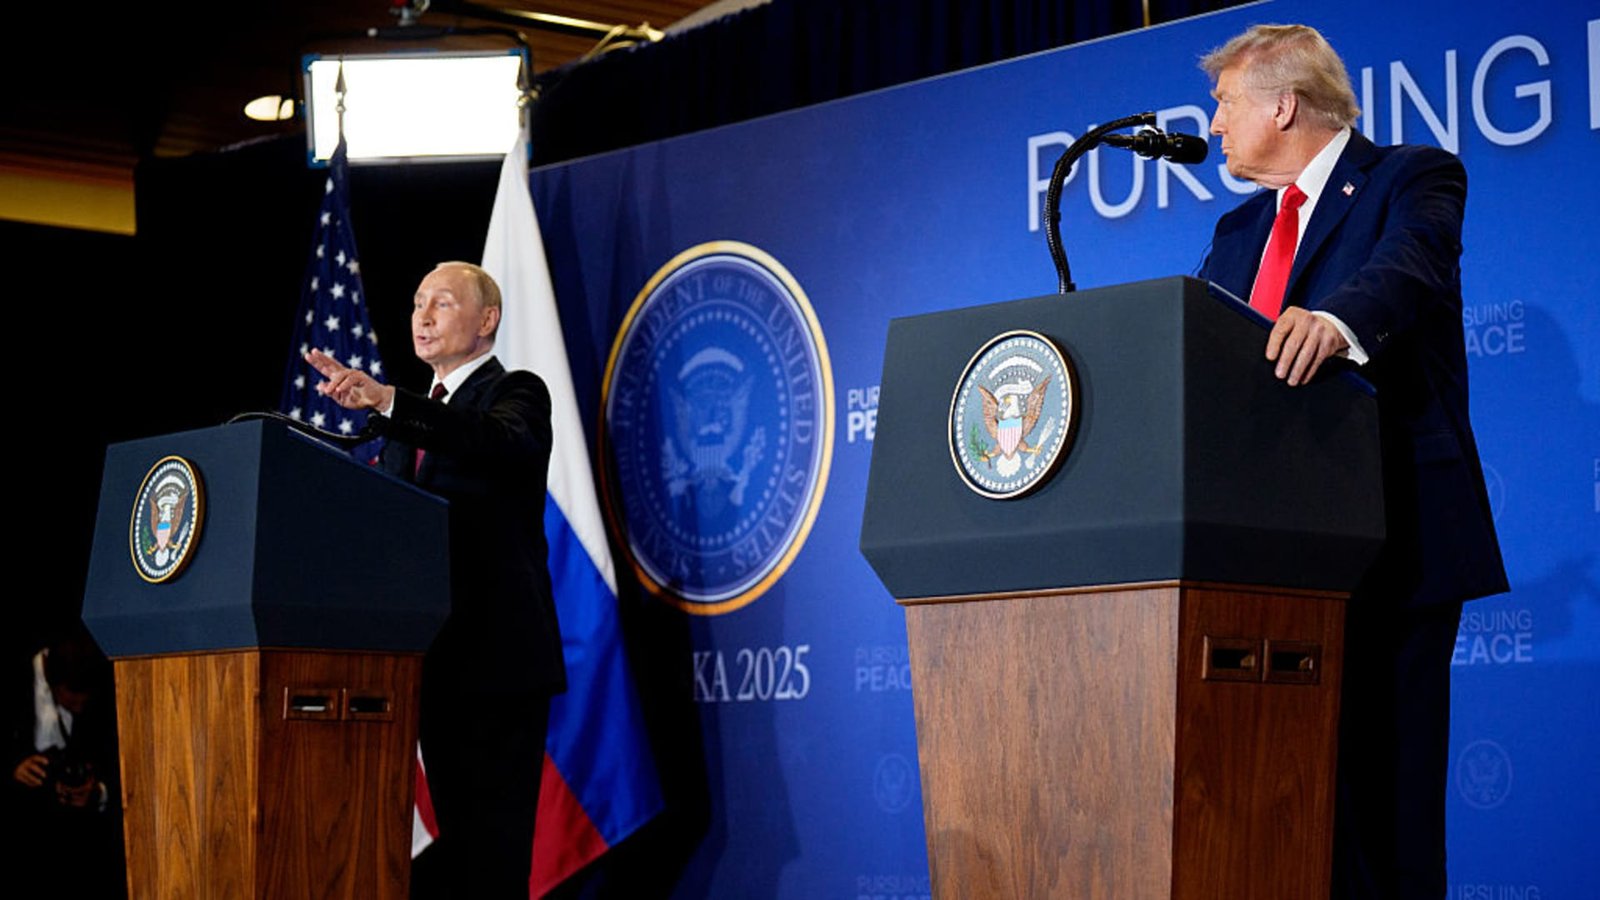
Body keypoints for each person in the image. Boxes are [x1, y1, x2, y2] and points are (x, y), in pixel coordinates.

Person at [1198, 24, 1508, 899]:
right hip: (1260, 564)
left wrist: (1336, 324)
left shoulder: (1411, 178)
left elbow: (1409, 267)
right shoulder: (1235, 231)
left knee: (1389, 817)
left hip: (1390, 540)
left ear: (1283, 106)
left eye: (1224, 104)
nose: (1214, 125)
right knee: (1289, 821)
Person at [307, 261, 565, 899]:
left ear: (486, 320)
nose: (422, 317)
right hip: (423, 666)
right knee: (445, 866)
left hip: (496, 668)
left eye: (441, 304)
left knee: (492, 861)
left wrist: (389, 402)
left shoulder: (517, 394)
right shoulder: (402, 426)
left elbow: (492, 441)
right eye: (418, 303)